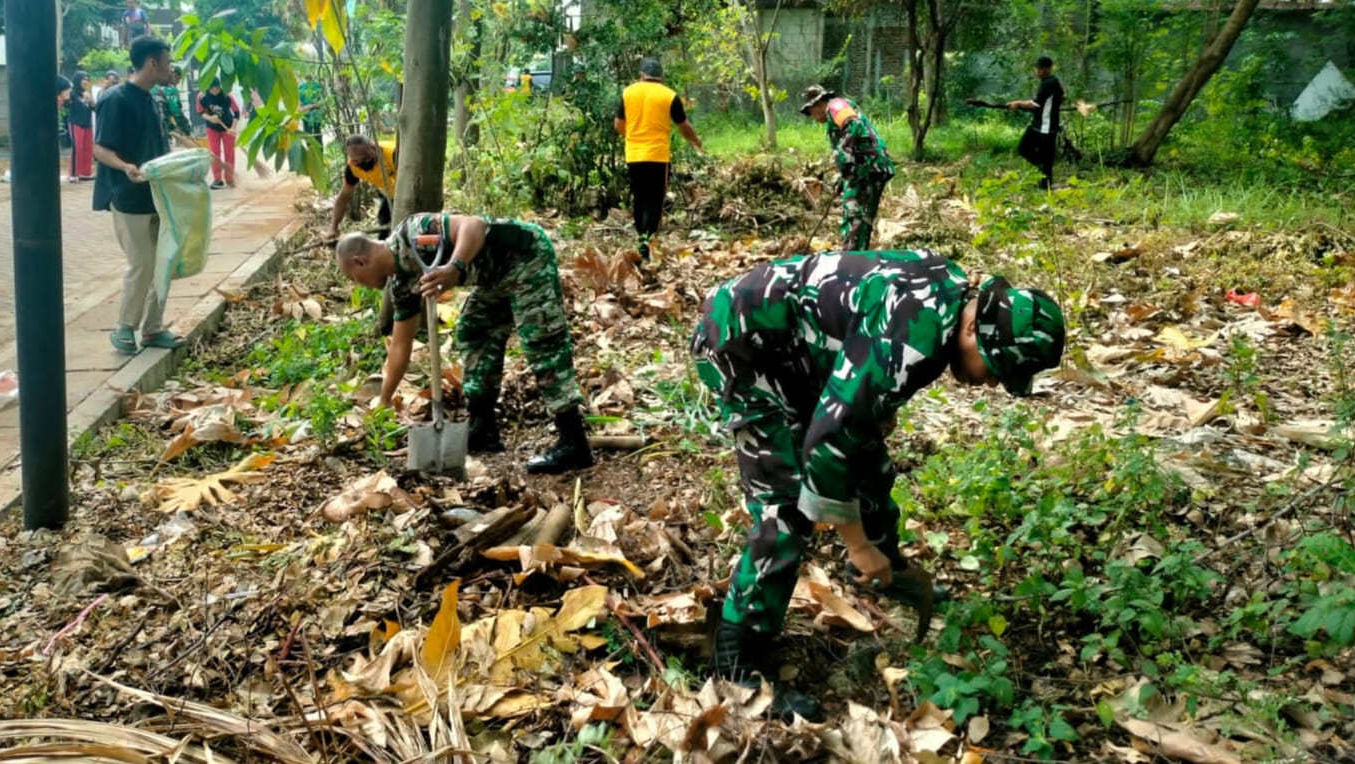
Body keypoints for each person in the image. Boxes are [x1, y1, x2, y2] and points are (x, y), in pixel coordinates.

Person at [691, 249, 1065, 720]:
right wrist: (857, 544)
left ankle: (888, 572)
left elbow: (859, 411)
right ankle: (736, 662)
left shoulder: (948, 299)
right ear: (973, 330)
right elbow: (827, 445)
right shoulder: (918, 334)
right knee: (784, 509)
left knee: (869, 462)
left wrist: (874, 539)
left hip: (797, 351)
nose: (990, 382)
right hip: (741, 346)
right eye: (994, 366)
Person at [333, 214, 595, 475]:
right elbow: (401, 346)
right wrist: (384, 399)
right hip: (495, 276)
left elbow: (474, 225)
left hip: (526, 255)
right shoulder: (402, 283)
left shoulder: (415, 233)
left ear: (360, 261)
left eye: (355, 278)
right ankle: (483, 427)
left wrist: (454, 267)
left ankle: (573, 440)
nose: (360, 285)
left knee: (542, 342)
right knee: (474, 330)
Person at [93, 36, 184, 354]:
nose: (170, 68)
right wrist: (125, 167)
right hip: (128, 196)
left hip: (159, 195)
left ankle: (153, 329)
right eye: (168, 62)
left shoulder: (154, 98)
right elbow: (100, 148)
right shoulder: (115, 99)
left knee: (164, 262)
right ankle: (125, 328)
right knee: (142, 263)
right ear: (152, 63)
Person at [614, 57, 702, 262]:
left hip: (634, 155)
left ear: (641, 75)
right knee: (654, 201)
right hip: (657, 156)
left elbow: (618, 125)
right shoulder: (669, 95)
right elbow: (684, 126)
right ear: (661, 77)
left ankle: (641, 239)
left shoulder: (628, 92)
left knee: (640, 198)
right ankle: (648, 243)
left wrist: (634, 137)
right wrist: (697, 142)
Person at [797, 85, 896, 251]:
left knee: (853, 217)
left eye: (810, 112)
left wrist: (844, 160)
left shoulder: (836, 105)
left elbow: (853, 124)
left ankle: (850, 262)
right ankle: (860, 260)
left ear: (818, 104)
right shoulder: (835, 112)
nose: (812, 118)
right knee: (863, 219)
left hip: (867, 168)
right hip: (872, 168)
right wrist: (844, 177)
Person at [1007, 56, 1064, 190]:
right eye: (1037, 68)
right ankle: (1043, 172)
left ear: (1048, 69)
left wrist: (1018, 103)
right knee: (1024, 148)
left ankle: (1045, 184)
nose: (1038, 71)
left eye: (1041, 69)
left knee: (1045, 156)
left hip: (1047, 126)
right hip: (1039, 123)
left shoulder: (1049, 82)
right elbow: (1061, 96)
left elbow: (1035, 104)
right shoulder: (1049, 81)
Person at [329, 134, 397, 240]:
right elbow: (343, 197)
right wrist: (333, 227)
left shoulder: (393, 154)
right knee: (385, 230)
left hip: (409, 191)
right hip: (388, 194)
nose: (356, 163)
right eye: (353, 160)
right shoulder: (353, 167)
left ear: (373, 150)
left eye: (362, 159)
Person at [198, 79, 240, 189]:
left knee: (229, 153)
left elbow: (236, 112)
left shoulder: (227, 96)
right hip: (212, 129)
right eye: (213, 88)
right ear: (208, 88)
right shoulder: (202, 97)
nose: (216, 90)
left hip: (228, 128)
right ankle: (218, 179)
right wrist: (210, 118)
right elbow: (201, 112)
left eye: (218, 88)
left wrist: (233, 128)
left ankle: (230, 178)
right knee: (214, 154)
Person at [68, 72, 96, 181]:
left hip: (87, 123)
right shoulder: (72, 93)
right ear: (77, 80)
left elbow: (95, 109)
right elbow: (67, 104)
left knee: (88, 148)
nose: (85, 81)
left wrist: (91, 101)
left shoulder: (87, 93)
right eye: (83, 79)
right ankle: (74, 174)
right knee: (77, 147)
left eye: (87, 79)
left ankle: (85, 173)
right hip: (76, 123)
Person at [153, 66, 192, 136]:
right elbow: (176, 112)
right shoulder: (171, 90)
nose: (178, 82)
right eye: (178, 79)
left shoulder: (152, 87)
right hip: (161, 129)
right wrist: (186, 128)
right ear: (174, 75)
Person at [298, 73, 325, 144]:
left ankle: (314, 152)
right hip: (308, 115)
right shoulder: (301, 87)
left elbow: (321, 103)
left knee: (315, 135)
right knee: (311, 136)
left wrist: (309, 106)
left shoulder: (316, 86)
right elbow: (299, 107)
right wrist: (309, 107)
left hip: (314, 115)